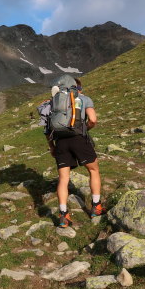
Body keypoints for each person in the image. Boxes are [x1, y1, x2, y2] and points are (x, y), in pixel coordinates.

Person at [42, 76, 104, 228]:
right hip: (78, 138)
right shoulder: (84, 99)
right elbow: (93, 119)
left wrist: (52, 146)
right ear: (78, 88)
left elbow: (47, 128)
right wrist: (84, 129)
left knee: (63, 179)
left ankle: (63, 216)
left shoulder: (54, 101)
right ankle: (96, 207)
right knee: (94, 170)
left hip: (60, 141)